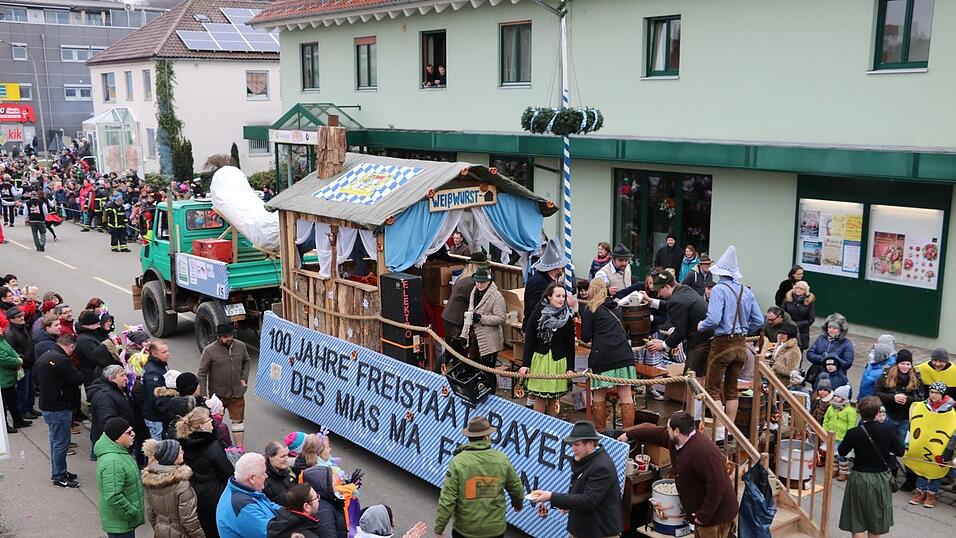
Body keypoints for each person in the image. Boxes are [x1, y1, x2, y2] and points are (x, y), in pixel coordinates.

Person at [620, 411, 737, 537]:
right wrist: (628, 434)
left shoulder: (703, 451)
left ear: (676, 431)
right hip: (705, 515)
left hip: (716, 517)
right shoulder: (676, 440)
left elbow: (717, 485)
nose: (666, 430)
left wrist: (704, 515)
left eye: (668, 428)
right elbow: (655, 434)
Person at [697, 246, 764, 433]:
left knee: (712, 389)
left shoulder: (719, 289)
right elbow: (759, 320)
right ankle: (729, 430)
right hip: (741, 344)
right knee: (732, 388)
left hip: (723, 343)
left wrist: (702, 325)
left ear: (720, 272)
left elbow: (714, 319)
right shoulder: (746, 291)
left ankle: (719, 432)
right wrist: (744, 330)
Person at [434, 416, 524, 538]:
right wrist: (518, 504)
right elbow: (516, 488)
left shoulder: (458, 462)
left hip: (465, 531)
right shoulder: (501, 459)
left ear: (469, 437)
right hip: (495, 530)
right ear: (486, 436)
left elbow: (448, 499)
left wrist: (439, 527)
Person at [530, 421, 622, 538]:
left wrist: (551, 496)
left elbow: (588, 500)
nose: (573, 448)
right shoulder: (589, 459)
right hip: (584, 529)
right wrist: (569, 504)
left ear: (590, 444)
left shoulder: (602, 467)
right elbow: (582, 492)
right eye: (572, 444)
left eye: (577, 444)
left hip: (597, 533)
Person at [838, 396, 904, 537]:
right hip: (880, 478)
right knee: (876, 521)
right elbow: (900, 451)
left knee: (857, 520)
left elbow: (842, 451)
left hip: (859, 477)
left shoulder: (853, 433)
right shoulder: (888, 430)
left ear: (860, 412)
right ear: (877, 413)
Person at [580, 278, 637, 430]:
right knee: (626, 395)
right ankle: (628, 435)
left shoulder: (590, 309)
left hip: (602, 356)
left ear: (591, 290)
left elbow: (585, 336)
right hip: (624, 354)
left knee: (599, 395)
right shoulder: (616, 307)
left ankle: (601, 432)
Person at [519, 283, 576, 416]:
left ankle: (552, 424)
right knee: (540, 396)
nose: (561, 299)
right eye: (558, 296)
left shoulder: (566, 317)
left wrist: (570, 368)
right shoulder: (538, 313)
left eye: (563, 296)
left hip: (558, 361)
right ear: (549, 296)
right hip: (541, 359)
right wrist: (525, 364)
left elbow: (570, 345)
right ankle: (539, 424)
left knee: (553, 398)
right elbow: (529, 340)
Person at [178, 405, 234, 538]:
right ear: (202, 426)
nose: (212, 422)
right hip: (215, 495)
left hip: (194, 493)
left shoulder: (183, 443)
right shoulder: (212, 446)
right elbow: (227, 472)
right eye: (210, 420)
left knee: (205, 528)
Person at [35, 335, 83, 486]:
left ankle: (59, 470)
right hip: (59, 407)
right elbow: (77, 378)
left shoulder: (46, 356)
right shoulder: (61, 360)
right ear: (70, 347)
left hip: (48, 405)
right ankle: (59, 476)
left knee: (55, 441)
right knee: (61, 442)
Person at [198, 324, 250, 448]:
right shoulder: (209, 350)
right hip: (218, 396)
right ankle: (214, 447)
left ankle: (239, 449)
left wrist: (244, 379)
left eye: (231, 335)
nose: (229, 338)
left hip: (237, 393)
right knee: (214, 422)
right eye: (226, 337)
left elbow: (247, 361)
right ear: (219, 337)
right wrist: (203, 395)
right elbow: (202, 373)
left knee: (238, 421)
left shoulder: (241, 346)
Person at [904, 381, 954, 508]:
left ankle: (931, 494)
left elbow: (952, 432)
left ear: (943, 394)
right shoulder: (921, 406)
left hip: (939, 448)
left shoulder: (951, 412)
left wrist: (948, 452)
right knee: (921, 468)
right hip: (921, 444)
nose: (933, 395)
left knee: (936, 471)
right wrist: (908, 442)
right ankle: (920, 491)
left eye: (937, 393)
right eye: (931, 392)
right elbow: (913, 425)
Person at [141, 438, 205, 537]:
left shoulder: (150, 481)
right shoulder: (182, 484)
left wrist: (158, 529)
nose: (183, 452)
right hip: (180, 533)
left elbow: (151, 512)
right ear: (172, 457)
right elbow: (189, 519)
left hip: (160, 531)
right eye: (180, 451)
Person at [95, 417, 146, 538]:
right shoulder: (113, 462)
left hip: (122, 523)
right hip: (121, 525)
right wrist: (131, 512)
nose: (133, 434)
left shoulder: (118, 453)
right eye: (128, 432)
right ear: (117, 438)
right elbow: (113, 496)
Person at [459, 266, 505, 389]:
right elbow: (469, 314)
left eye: (483, 282)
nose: (479, 285)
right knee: (474, 367)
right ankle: (479, 391)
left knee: (488, 370)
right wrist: (464, 334)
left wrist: (481, 318)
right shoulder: (473, 292)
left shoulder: (497, 296)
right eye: (477, 281)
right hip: (474, 337)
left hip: (490, 340)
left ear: (489, 281)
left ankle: (491, 393)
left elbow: (501, 318)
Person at [217, 452, 281, 538]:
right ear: (252, 478)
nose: (266, 476)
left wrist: (291, 513)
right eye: (263, 473)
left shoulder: (243, 489)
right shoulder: (242, 505)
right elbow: (271, 534)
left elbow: (269, 506)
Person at [442, 250, 490, 361]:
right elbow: (476, 305)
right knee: (456, 354)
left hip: (449, 318)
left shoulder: (462, 277)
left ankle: (440, 370)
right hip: (456, 322)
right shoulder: (472, 283)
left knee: (451, 352)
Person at [875, 350, 922, 449]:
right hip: (888, 414)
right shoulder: (886, 375)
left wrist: (907, 399)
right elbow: (877, 393)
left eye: (908, 364)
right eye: (902, 364)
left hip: (905, 418)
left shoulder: (916, 377)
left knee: (899, 445)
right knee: (882, 442)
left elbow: (921, 398)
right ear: (897, 364)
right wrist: (893, 397)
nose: (905, 367)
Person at [89, 365, 136, 455]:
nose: (126, 378)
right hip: (114, 444)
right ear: (111, 379)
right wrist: (121, 438)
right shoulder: (105, 396)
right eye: (122, 375)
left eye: (125, 375)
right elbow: (107, 422)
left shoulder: (117, 389)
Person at [523, 238, 575, 318]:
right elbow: (537, 308)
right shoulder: (538, 282)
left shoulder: (550, 279)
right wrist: (564, 303)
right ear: (557, 267)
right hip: (536, 324)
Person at [299, 457, 349, 538]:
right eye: (331, 480)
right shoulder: (323, 511)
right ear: (323, 484)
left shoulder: (325, 500)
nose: (335, 482)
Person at [5, 306, 37, 419]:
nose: (22, 317)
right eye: (18, 316)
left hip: (29, 363)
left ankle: (29, 408)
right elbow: (12, 351)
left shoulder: (23, 328)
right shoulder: (10, 333)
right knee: (23, 390)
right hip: (22, 366)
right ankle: (23, 410)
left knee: (31, 388)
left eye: (21, 315)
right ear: (11, 319)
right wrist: (24, 358)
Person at [0, 315, 29, 433]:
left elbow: (11, 351)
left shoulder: (2, 340)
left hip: (9, 378)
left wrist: (17, 357)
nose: (1, 329)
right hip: (3, 380)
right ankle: (5, 426)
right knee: (3, 405)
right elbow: (4, 359)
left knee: (13, 400)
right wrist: (18, 361)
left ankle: (18, 420)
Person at [823, 385, 857, 481]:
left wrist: (849, 437)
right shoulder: (831, 407)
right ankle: (834, 470)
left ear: (844, 398)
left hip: (843, 437)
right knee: (833, 455)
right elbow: (826, 419)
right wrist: (824, 429)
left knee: (842, 456)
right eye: (835, 396)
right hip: (832, 435)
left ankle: (843, 472)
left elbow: (851, 425)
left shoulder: (850, 411)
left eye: (838, 396)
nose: (835, 398)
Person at [806, 313, 854, 381]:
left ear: (841, 330)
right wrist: (821, 358)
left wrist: (833, 361)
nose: (831, 330)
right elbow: (810, 354)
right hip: (817, 375)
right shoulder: (821, 338)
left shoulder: (847, 344)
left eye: (835, 328)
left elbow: (848, 363)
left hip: (836, 378)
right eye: (829, 327)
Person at [144, 340, 172, 440]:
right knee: (158, 444)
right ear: (154, 354)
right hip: (155, 417)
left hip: (159, 415)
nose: (168, 354)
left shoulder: (160, 365)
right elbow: (156, 398)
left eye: (167, 351)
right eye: (164, 352)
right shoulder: (153, 374)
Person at [263, 440, 296, 505]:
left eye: (287, 455)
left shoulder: (287, 471)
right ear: (270, 457)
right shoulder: (264, 481)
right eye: (282, 456)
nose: (286, 459)